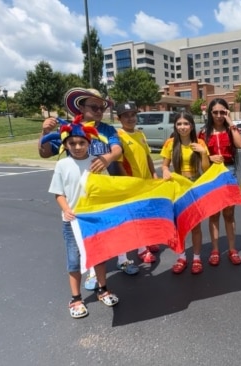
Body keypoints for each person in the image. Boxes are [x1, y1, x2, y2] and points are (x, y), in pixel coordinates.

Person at [38, 87, 124, 290]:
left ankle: (122, 259)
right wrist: (45, 132)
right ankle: (91, 272)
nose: (99, 111)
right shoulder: (69, 130)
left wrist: (107, 157)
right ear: (81, 107)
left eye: (102, 107)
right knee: (83, 239)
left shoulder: (107, 129)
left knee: (108, 233)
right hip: (79, 197)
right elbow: (45, 152)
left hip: (103, 193)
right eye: (94, 106)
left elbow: (117, 148)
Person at [47, 119, 119, 319]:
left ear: (89, 143)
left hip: (94, 219)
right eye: (72, 143)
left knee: (100, 256)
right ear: (66, 145)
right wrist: (66, 209)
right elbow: (58, 193)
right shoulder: (62, 165)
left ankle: (103, 289)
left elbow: (106, 189)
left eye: (81, 143)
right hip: (72, 222)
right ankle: (76, 298)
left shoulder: (96, 162)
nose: (77, 147)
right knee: (73, 260)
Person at [161, 111, 210, 275]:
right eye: (179, 124)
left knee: (196, 226)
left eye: (186, 124)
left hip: (195, 186)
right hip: (177, 187)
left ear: (192, 126)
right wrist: (166, 170)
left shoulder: (200, 142)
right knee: (179, 226)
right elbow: (165, 165)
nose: (182, 127)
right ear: (175, 126)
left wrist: (203, 153)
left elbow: (206, 169)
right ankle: (181, 257)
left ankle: (196, 258)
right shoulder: (170, 143)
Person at [114, 101, 160, 273]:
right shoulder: (118, 136)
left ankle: (147, 241)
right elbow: (118, 163)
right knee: (134, 218)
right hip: (132, 185)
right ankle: (142, 250)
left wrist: (154, 175)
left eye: (133, 115)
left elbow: (147, 157)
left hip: (146, 183)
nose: (131, 118)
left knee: (146, 215)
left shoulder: (140, 134)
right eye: (126, 116)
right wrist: (127, 183)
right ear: (119, 118)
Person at [198, 98, 241, 267]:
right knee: (214, 214)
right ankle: (215, 250)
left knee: (229, 213)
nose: (219, 115)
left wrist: (230, 122)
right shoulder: (204, 132)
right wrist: (209, 157)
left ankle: (232, 249)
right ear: (210, 113)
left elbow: (240, 144)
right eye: (215, 112)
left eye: (222, 112)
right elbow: (198, 153)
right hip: (211, 172)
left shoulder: (230, 129)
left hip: (229, 171)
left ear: (227, 112)